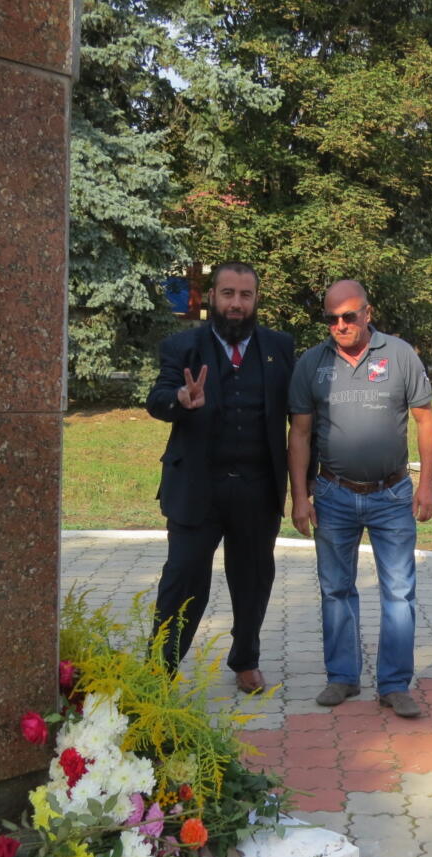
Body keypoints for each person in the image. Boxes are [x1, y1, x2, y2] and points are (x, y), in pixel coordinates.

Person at [287, 280, 432, 717]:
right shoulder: (312, 364)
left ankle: (394, 685)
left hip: (392, 494)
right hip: (333, 494)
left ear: (367, 314)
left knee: (400, 592)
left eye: (349, 316)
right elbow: (299, 434)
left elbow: (425, 421)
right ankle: (342, 677)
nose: (340, 325)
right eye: (331, 318)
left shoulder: (400, 355)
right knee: (335, 589)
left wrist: (427, 484)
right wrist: (299, 497)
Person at [145, 262, 295, 694]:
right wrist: (180, 397)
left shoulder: (279, 347)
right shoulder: (183, 346)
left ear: (256, 299)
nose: (236, 304)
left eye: (245, 295)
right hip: (197, 488)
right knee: (182, 580)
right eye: (228, 293)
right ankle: (159, 670)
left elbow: (299, 415)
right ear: (212, 296)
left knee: (253, 581)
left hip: (257, 488)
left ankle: (246, 659)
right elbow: (157, 398)